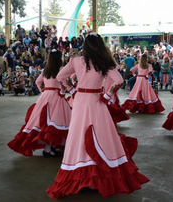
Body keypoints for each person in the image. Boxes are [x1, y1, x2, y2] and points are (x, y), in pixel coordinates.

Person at [47, 32, 149, 199]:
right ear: (100, 44)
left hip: (80, 101)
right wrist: (107, 97)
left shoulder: (76, 60)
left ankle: (80, 176)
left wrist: (71, 90)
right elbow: (118, 81)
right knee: (101, 136)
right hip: (97, 102)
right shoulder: (105, 61)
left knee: (79, 136)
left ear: (86, 45)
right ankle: (98, 176)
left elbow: (60, 77)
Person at [8, 49, 71, 157]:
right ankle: (56, 147)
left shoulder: (46, 70)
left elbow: (38, 81)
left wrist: (43, 90)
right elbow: (64, 81)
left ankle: (48, 148)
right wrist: (65, 89)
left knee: (44, 123)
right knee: (57, 123)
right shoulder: (61, 69)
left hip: (45, 96)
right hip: (57, 97)